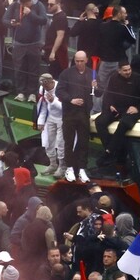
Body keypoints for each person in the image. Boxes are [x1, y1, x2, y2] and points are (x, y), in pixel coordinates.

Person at [95, 62, 140, 167]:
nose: (128, 72)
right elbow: (108, 95)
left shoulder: (138, 79)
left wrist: (138, 108)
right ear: (119, 71)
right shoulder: (114, 78)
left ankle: (108, 152)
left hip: (133, 110)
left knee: (123, 124)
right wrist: (110, 105)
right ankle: (112, 151)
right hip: (117, 108)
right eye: (125, 70)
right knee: (100, 121)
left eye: (129, 69)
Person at [57, 51, 95, 183]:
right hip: (69, 113)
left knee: (84, 141)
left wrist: (97, 87)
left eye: (81, 61)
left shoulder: (92, 73)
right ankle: (70, 168)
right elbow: (59, 91)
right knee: (69, 141)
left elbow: (99, 92)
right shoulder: (66, 73)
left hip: (84, 113)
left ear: (86, 60)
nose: (79, 63)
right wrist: (70, 99)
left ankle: (82, 168)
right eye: (77, 61)